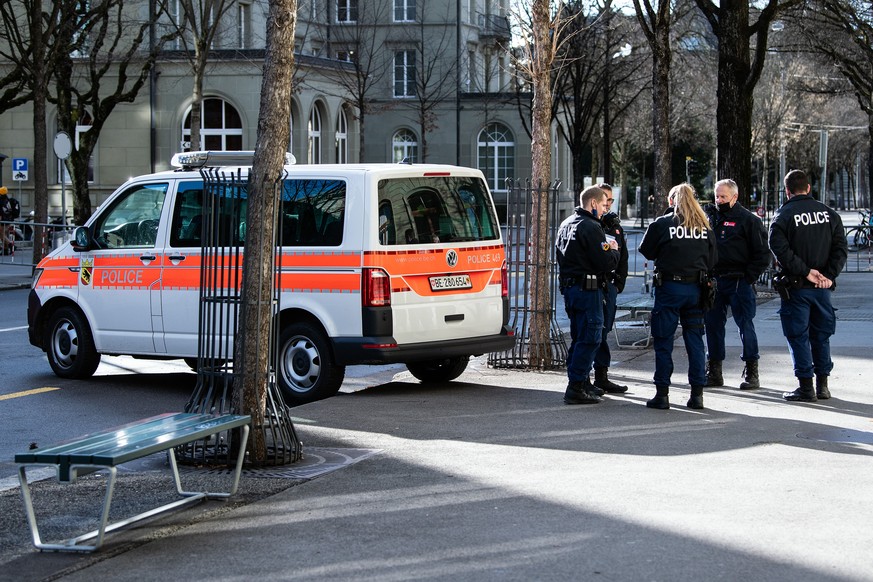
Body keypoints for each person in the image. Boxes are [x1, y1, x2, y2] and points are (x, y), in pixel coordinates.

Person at [769, 169, 848, 401]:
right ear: (808, 188)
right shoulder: (829, 214)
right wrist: (828, 276)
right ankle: (823, 385)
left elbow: (779, 248)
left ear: (787, 191)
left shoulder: (783, 216)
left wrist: (805, 272)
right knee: (821, 336)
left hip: (797, 287)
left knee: (798, 336)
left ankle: (806, 386)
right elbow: (840, 249)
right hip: (823, 289)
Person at [639, 183, 718, 409]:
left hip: (670, 289)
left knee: (663, 341)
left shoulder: (663, 224)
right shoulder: (705, 226)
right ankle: (697, 395)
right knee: (695, 341)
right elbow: (713, 260)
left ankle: (662, 394)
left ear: (671, 201)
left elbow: (647, 250)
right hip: (696, 290)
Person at [703, 179, 771, 390]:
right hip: (715, 280)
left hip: (739, 280)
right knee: (713, 326)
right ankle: (714, 370)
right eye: (717, 196)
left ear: (735, 197)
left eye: (723, 197)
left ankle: (752, 370)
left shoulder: (748, 220)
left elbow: (762, 254)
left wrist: (748, 277)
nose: (719, 200)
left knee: (745, 326)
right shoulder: (710, 218)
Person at [555, 185, 620, 405]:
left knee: (579, 336)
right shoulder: (590, 226)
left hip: (571, 289)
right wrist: (614, 249)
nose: (604, 210)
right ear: (593, 203)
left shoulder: (566, 224)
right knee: (591, 337)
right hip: (587, 289)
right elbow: (606, 262)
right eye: (603, 205)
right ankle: (575, 386)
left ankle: (580, 382)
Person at [591, 183, 629, 395]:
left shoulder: (614, 225)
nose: (608, 204)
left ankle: (602, 375)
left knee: (604, 330)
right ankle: (584, 378)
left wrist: (618, 284)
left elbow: (623, 257)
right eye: (605, 199)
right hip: (594, 285)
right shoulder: (590, 223)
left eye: (611, 200)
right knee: (593, 330)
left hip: (609, 286)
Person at [0, 186, 21, 255]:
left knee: (2, 234)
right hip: (9, 220)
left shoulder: (1, 201)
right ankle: (5, 250)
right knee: (5, 234)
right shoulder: (8, 200)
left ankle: (11, 245)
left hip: (3, 220)